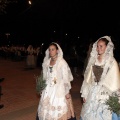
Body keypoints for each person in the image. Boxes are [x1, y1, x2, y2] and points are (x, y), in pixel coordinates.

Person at [80, 36, 120, 120]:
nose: (99, 48)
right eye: (97, 46)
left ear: (107, 46)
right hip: (93, 90)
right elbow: (88, 78)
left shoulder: (111, 61)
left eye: (101, 46)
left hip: (105, 92)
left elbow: (115, 81)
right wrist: (85, 93)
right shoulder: (94, 60)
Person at [37, 42, 76, 120]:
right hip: (48, 88)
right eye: (50, 50)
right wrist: (42, 86)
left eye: (53, 49)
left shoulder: (62, 62)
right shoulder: (47, 62)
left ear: (57, 50)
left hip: (58, 88)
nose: (51, 51)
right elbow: (45, 76)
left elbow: (65, 78)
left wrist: (67, 92)